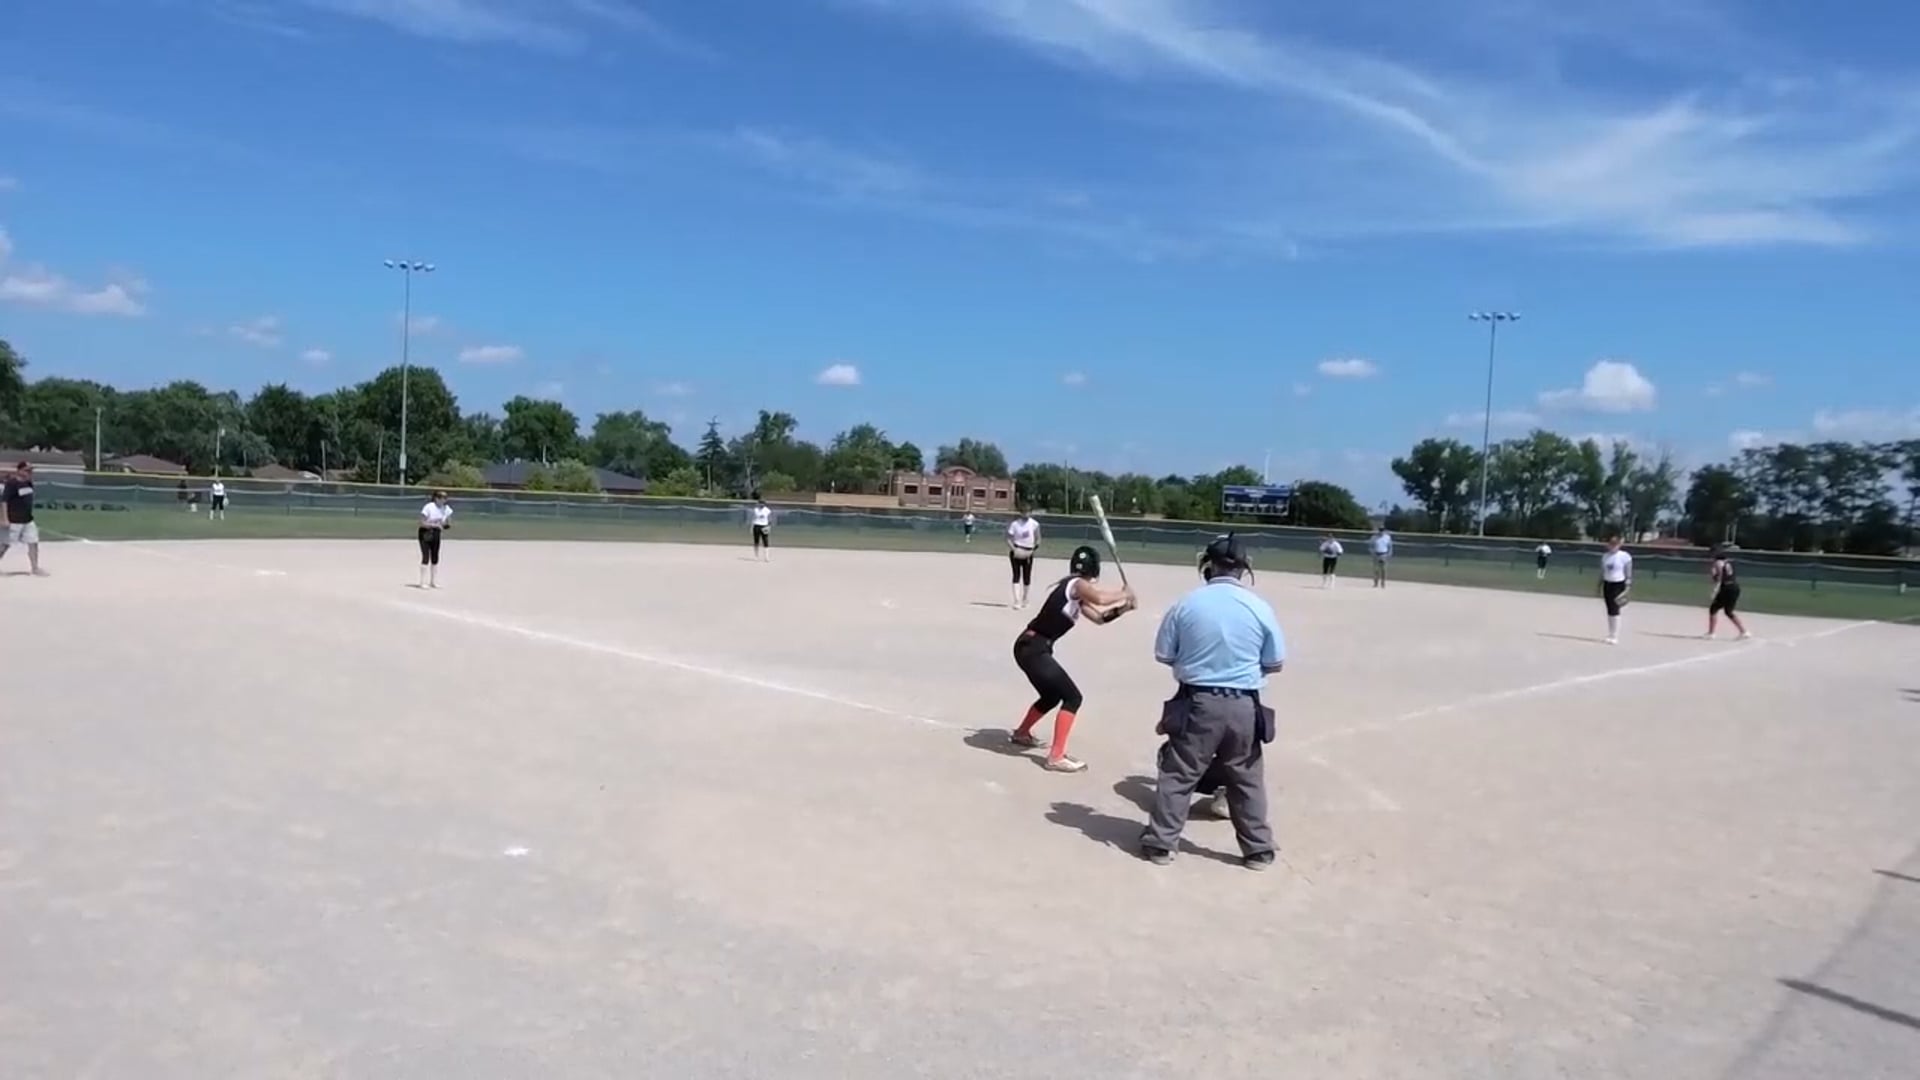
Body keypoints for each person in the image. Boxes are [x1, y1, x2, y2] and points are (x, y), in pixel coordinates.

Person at [1140, 534, 1284, 870]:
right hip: (1245, 704)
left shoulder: (1187, 604)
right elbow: (1275, 662)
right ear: (1244, 569)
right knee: (1246, 776)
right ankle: (1258, 850)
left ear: (1207, 565)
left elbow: (1164, 654)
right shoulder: (1259, 607)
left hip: (1197, 701)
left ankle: (1161, 843)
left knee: (1179, 773)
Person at [1006, 544, 1136, 774]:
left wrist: (1124, 607)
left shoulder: (1076, 592)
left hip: (1030, 647)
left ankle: (1022, 733)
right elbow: (1100, 598)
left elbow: (1100, 618)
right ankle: (1056, 757)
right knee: (1073, 697)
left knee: (1051, 696)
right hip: (1034, 648)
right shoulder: (1077, 584)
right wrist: (1124, 593)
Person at [0, 462, 49, 577]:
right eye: (27, 470)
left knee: (33, 542)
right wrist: (4, 519)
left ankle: (35, 568)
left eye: (31, 471)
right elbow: (4, 501)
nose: (30, 473)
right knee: (4, 545)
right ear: (19, 471)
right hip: (14, 520)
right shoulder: (12, 484)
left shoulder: (29, 483)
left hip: (27, 520)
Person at [1706, 545, 1750, 640]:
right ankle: (1744, 631)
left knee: (1713, 609)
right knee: (1728, 611)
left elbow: (1719, 578)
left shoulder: (1718, 563)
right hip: (1734, 587)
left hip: (1727, 588)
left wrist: (1714, 589)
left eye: (1712, 553)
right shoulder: (1727, 562)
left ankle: (1711, 633)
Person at [1599, 534, 1633, 644]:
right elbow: (1602, 572)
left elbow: (1628, 572)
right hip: (1607, 583)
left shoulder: (1624, 556)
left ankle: (1614, 635)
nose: (1613, 546)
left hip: (1618, 584)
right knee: (1609, 609)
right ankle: (1610, 633)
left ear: (1619, 545)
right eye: (1611, 544)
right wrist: (1599, 585)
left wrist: (1628, 586)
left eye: (1615, 544)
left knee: (1614, 609)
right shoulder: (1605, 556)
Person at [1005, 507, 1041, 609]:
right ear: (1020, 513)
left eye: (1028, 512)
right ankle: (1017, 600)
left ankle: (1025, 598)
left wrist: (1034, 548)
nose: (1026, 514)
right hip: (1017, 550)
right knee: (1016, 575)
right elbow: (1008, 538)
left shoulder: (1034, 524)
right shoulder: (1015, 524)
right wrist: (1014, 549)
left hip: (1028, 551)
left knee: (1027, 576)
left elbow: (1038, 538)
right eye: (1024, 512)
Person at [417, 490, 453, 588]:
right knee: (426, 556)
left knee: (435, 556)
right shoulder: (429, 507)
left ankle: (433, 582)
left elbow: (448, 523)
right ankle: (422, 582)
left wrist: (446, 524)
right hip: (425, 533)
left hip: (436, 533)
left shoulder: (446, 509)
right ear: (436, 498)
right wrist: (434, 525)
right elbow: (421, 522)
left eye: (445, 498)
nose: (444, 500)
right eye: (442, 498)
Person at [750, 495, 773, 562]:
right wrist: (751, 527)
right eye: (760, 503)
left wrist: (769, 526)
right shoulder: (756, 510)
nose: (761, 504)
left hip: (764, 526)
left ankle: (766, 557)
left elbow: (770, 519)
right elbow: (753, 518)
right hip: (756, 525)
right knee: (756, 541)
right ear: (758, 503)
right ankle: (756, 556)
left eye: (763, 503)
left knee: (765, 541)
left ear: (764, 504)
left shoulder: (767, 510)